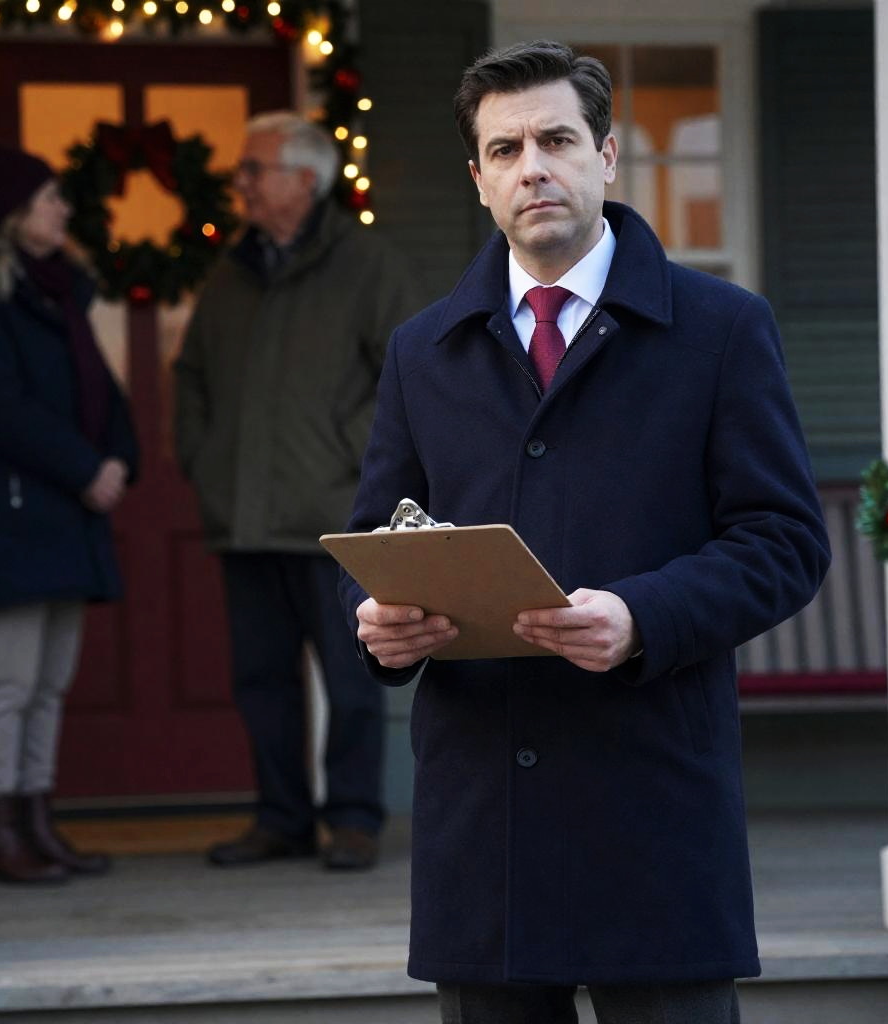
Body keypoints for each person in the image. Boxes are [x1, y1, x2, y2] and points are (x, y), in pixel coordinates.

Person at [341, 41, 831, 1023]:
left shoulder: (722, 328)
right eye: (506, 149)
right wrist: (379, 624)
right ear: (478, 179)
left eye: (557, 140)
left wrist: (642, 616)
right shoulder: (421, 351)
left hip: (652, 800)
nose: (533, 167)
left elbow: (783, 539)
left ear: (606, 155)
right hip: (483, 819)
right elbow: (373, 543)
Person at [174, 112, 421, 871]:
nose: (241, 184)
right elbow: (191, 377)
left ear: (306, 180)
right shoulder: (230, 271)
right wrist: (205, 459)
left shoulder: (368, 265)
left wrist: (349, 455)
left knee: (351, 679)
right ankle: (279, 818)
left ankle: (353, 819)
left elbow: (411, 378)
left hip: (334, 517)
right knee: (261, 682)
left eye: (255, 170)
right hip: (244, 520)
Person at [0, 140, 139, 884]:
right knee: (8, 678)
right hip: (5, 516)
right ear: (13, 211)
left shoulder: (56, 295)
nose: (64, 210)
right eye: (50, 198)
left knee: (46, 683)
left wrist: (119, 457)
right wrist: (86, 469)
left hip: (63, 515)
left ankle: (36, 823)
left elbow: (98, 392)